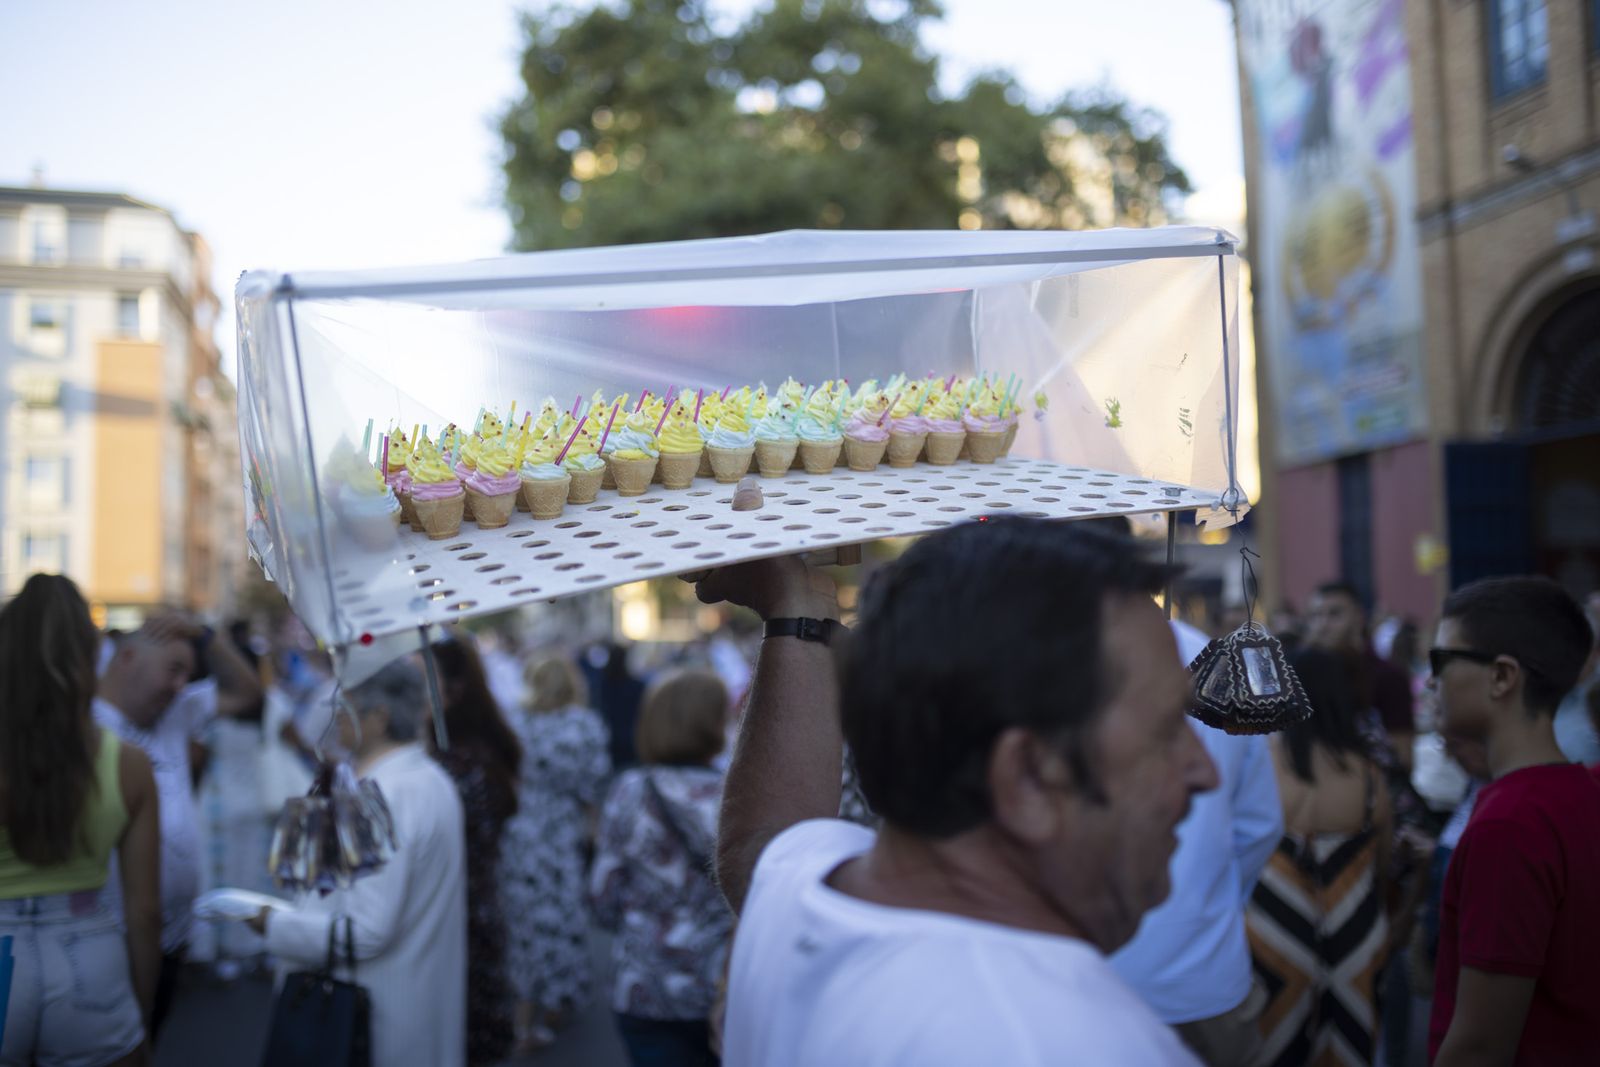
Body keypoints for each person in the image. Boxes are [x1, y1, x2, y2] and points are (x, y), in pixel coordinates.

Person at [700, 519, 1218, 1065]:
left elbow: (759, 838)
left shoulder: (801, 892)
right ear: (1028, 778)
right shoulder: (1072, 1045)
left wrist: (794, 616)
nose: (1205, 771)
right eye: (1166, 732)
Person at [251, 659, 467, 1067]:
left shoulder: (383, 793)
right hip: (414, 1007)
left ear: (378, 718)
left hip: (376, 1021)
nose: (336, 718)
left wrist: (270, 923)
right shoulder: (428, 779)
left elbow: (366, 931)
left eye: (345, 706)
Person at [1427, 577, 1600, 1065]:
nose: (1431, 680)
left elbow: (1480, 1046)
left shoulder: (1510, 825)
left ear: (1503, 677)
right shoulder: (1579, 790)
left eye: (1441, 660)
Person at [0, 575, 162, 1067]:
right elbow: (145, 912)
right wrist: (140, 1012)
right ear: (93, 656)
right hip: (88, 957)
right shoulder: (128, 764)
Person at [1112, 620, 1283, 1066]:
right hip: (1205, 970)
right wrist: (1213, 897)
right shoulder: (1219, 659)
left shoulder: (1041, 655)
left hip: (1106, 976)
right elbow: (1260, 825)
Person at [95, 612, 263, 1036]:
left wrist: (207, 635)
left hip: (171, 941)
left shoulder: (172, 713)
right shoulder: (87, 727)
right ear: (128, 657)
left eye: (187, 675)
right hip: (111, 943)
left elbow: (249, 693)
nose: (180, 686)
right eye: (173, 670)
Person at [1245, 648, 1392, 1065]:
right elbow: (1382, 865)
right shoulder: (1367, 776)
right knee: (1349, 1044)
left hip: (1271, 929)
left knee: (1275, 1046)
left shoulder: (1262, 765)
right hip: (1355, 930)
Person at [590, 670, 733, 1067]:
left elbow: (602, 897)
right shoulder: (737, 794)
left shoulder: (629, 790)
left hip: (644, 986)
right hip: (722, 987)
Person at [500, 653, 611, 1054]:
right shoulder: (583, 726)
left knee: (523, 922)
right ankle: (554, 1003)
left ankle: (522, 1013)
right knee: (561, 917)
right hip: (561, 832)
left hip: (520, 829)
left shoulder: (515, 722)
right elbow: (593, 787)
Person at [428, 636, 521, 1066]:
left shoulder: (460, 764)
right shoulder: (457, 756)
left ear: (454, 689)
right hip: (472, 911)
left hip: (460, 917)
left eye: (423, 680)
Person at [1305, 582, 1415, 769]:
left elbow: (1403, 754)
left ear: (1358, 616)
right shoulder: (1306, 677)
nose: (1322, 625)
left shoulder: (1388, 676)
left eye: (1335, 614)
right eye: (1315, 615)